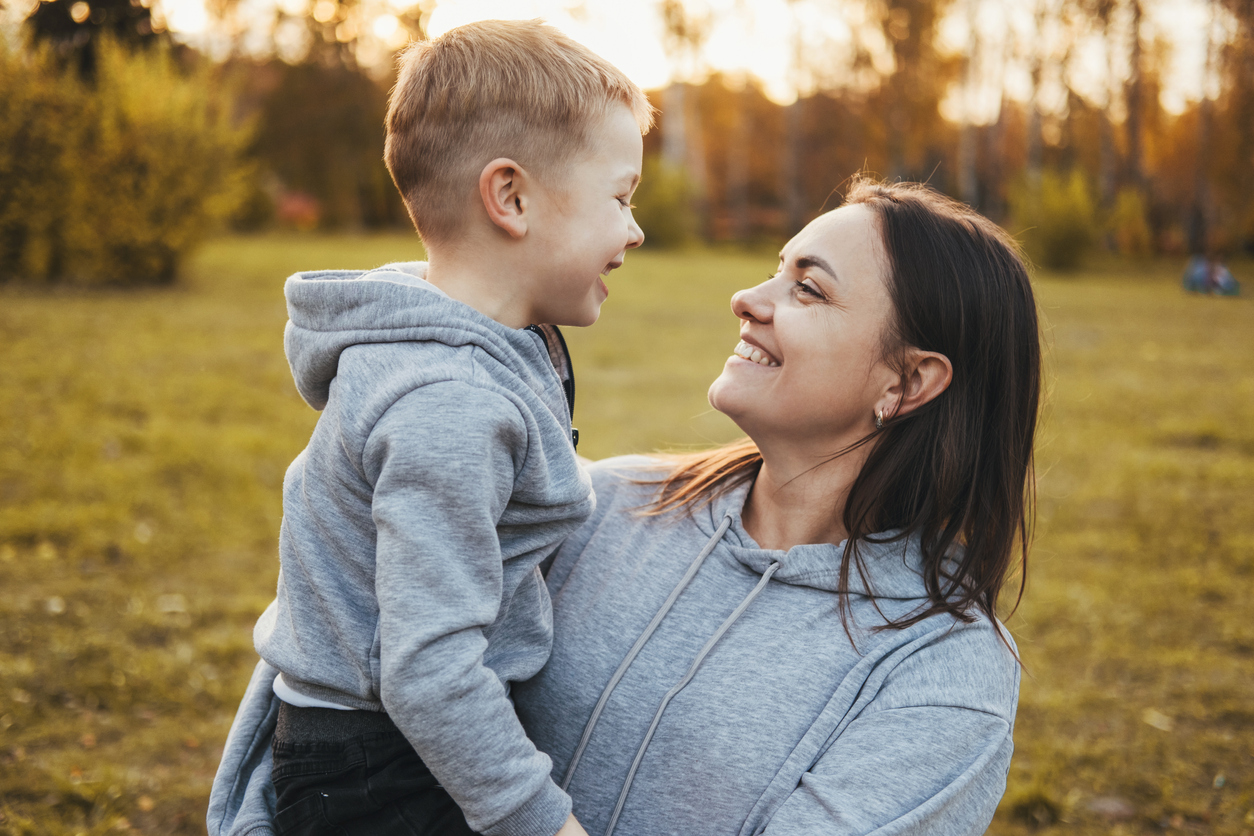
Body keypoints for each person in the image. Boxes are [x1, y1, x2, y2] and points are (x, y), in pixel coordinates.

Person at [211, 177, 1041, 835]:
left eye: (809, 290)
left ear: (908, 381)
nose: (747, 299)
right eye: (773, 270)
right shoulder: (599, 502)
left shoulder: (942, 670)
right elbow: (332, 652)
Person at [208, 20, 653, 836]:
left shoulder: (483, 348)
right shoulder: (449, 400)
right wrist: (543, 822)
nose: (634, 230)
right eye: (620, 198)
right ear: (510, 198)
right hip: (383, 771)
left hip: (389, 743)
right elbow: (427, 670)